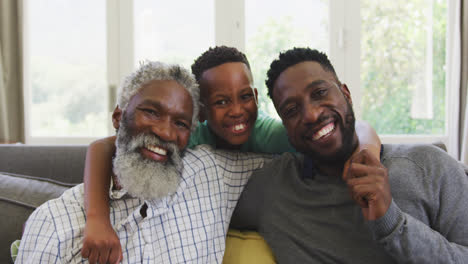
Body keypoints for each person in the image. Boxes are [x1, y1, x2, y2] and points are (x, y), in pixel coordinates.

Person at [82, 46, 381, 263]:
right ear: (200, 112)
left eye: (245, 97)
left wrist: (368, 158)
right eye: (222, 101)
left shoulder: (271, 134)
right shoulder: (186, 133)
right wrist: (98, 219)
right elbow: (103, 146)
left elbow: (360, 129)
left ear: (256, 97)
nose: (237, 110)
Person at [15, 61, 272, 263]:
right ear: (118, 117)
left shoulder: (209, 170)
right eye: (151, 112)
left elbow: (297, 160)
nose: (165, 132)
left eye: (180, 123)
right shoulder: (55, 223)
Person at [230, 47, 468, 263]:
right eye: (292, 110)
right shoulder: (272, 187)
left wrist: (389, 221)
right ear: (285, 126)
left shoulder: (429, 167)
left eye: (320, 93)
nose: (311, 115)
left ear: (346, 93)